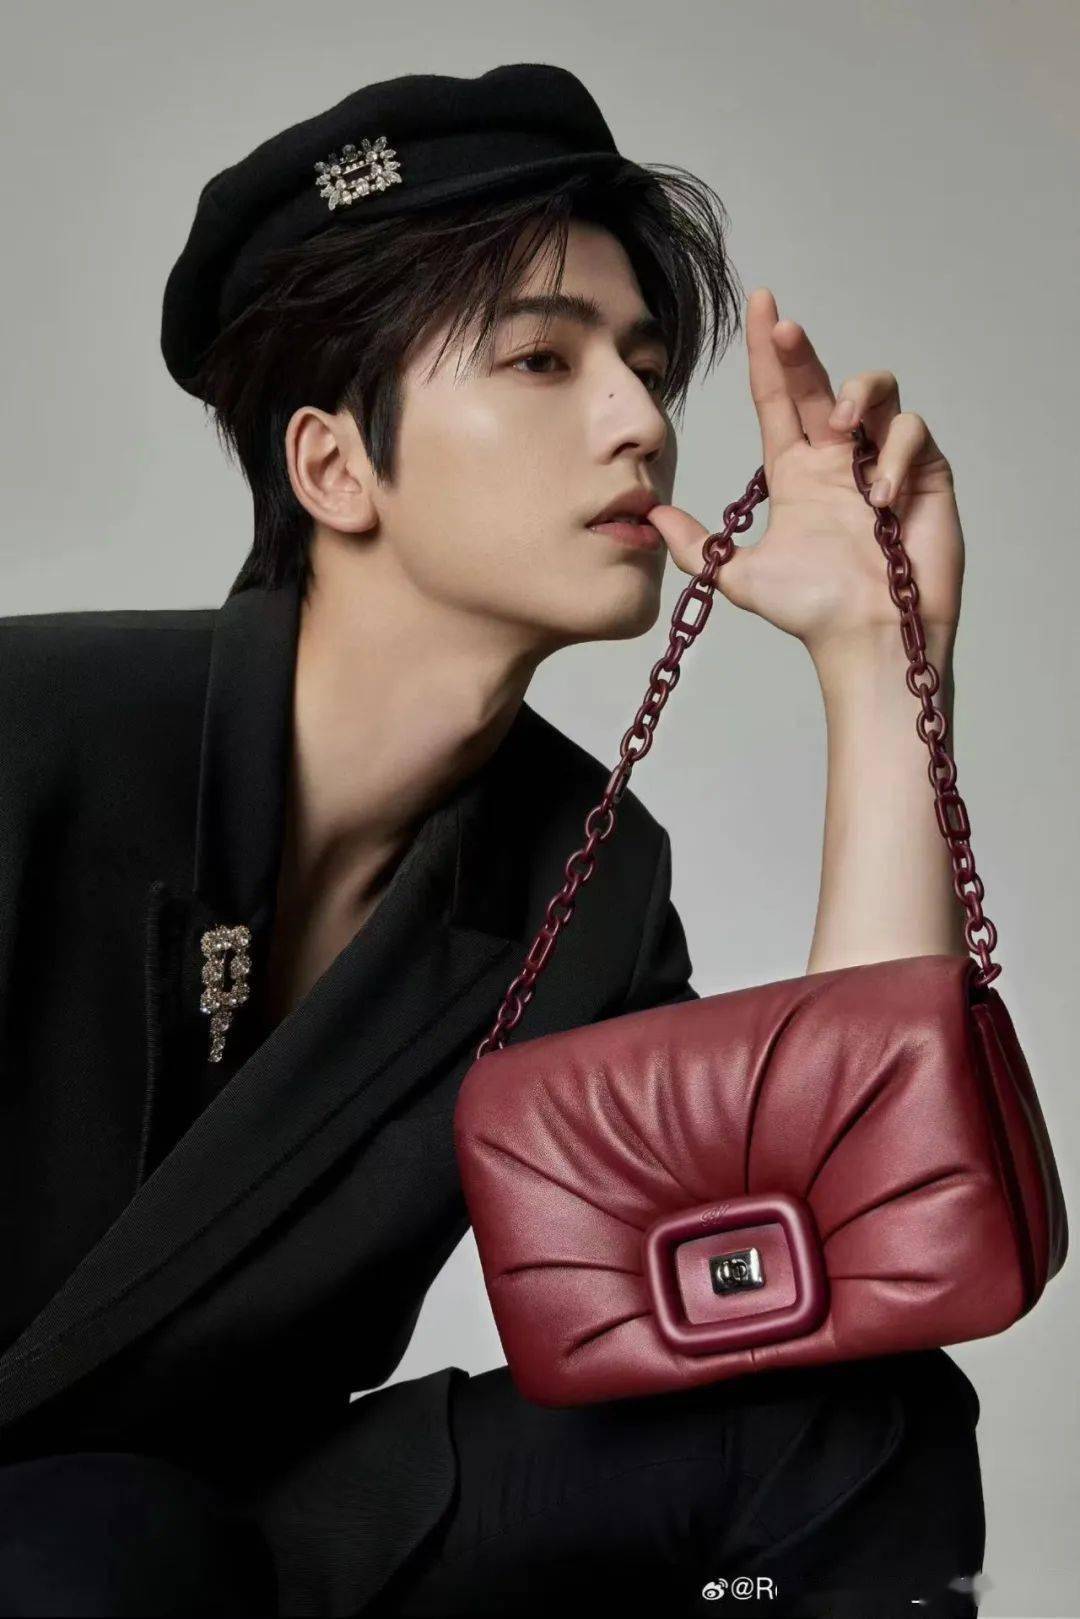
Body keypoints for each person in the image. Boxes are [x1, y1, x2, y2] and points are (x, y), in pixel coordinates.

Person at [0, 62, 985, 1618]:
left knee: (850, 1421)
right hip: (73, 1549)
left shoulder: (586, 879)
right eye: (542, 358)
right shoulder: (33, 733)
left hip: (245, 1531)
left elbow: (843, 1255)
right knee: (105, 1546)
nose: (640, 422)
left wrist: (878, 664)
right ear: (335, 466)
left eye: (645, 366)